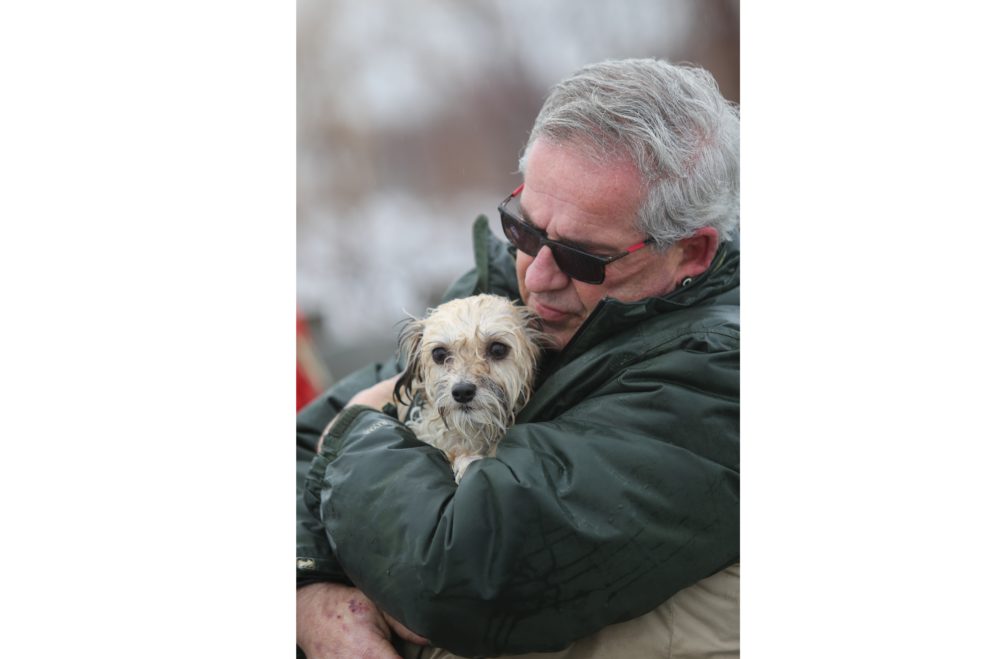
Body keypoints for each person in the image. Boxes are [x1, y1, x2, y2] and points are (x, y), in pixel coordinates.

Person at [296, 58, 740, 659]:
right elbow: (297, 444)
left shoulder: (720, 376)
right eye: (525, 229)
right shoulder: (511, 286)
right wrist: (309, 588)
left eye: (585, 257)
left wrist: (351, 432)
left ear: (690, 251)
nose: (538, 277)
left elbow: (457, 575)